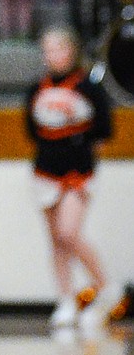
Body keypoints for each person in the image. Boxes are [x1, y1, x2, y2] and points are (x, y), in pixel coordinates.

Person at [25, 25, 112, 332]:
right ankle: (66, 298)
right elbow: (31, 131)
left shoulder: (88, 87)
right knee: (55, 240)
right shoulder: (38, 88)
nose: (53, 56)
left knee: (68, 232)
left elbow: (103, 131)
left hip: (78, 172)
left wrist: (77, 147)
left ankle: (102, 289)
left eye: (58, 49)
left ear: (72, 51)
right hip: (46, 170)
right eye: (47, 50)